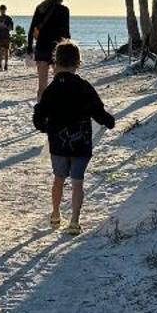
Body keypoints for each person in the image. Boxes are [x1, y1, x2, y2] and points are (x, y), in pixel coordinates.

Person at [32, 40, 116, 236]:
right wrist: (110, 122)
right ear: (78, 63)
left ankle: (55, 214)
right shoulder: (84, 86)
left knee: (58, 179)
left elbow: (39, 115)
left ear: (55, 63)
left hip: (58, 145)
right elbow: (98, 111)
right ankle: (75, 222)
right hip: (81, 144)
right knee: (78, 182)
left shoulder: (51, 89)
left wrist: (46, 128)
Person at [28, 0, 70, 95]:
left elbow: (32, 29)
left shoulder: (40, 8)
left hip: (41, 48)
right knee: (60, 85)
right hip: (57, 50)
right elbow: (66, 33)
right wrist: (69, 49)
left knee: (42, 87)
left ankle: (40, 111)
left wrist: (29, 48)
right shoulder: (64, 10)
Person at [0, 4, 15, 73]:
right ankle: (0, 66)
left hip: (6, 36)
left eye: (3, 10)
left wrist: (5, 26)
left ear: (5, 10)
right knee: (0, 52)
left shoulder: (9, 18)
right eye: (1, 10)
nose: (2, 11)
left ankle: (6, 65)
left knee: (7, 51)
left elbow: (11, 28)